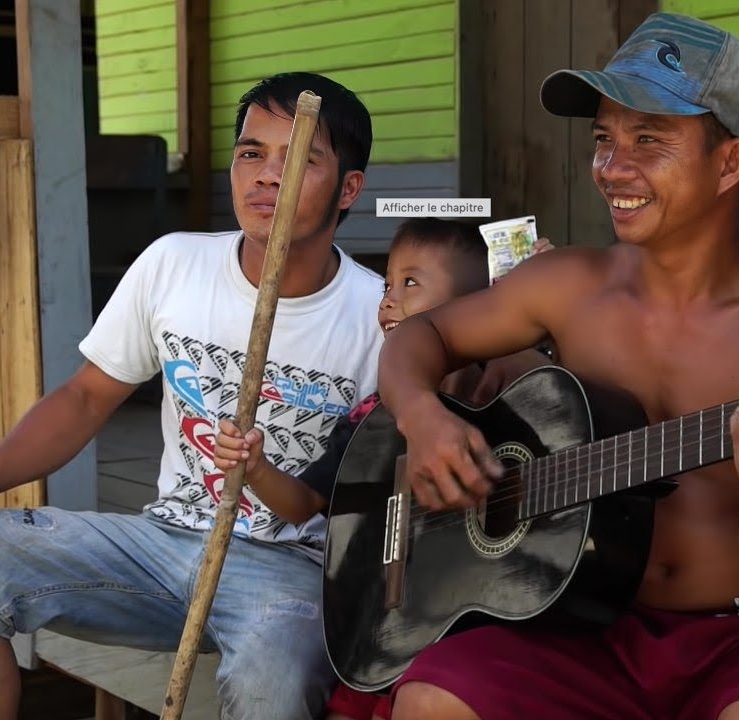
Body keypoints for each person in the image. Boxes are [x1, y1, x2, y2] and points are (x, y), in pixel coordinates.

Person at [374, 13, 739, 720]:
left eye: (648, 141)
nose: (612, 167)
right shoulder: (569, 285)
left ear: (729, 163)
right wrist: (422, 416)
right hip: (584, 626)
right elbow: (422, 339)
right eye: (604, 138)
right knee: (432, 698)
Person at [0, 71, 386, 720]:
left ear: (349, 187)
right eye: (250, 153)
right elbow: (87, 398)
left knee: (277, 680)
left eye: (298, 160)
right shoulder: (174, 264)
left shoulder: (379, 317)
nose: (266, 176)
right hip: (160, 543)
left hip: (289, 570)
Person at [211, 216, 553, 720]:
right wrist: (255, 467)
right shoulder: (376, 419)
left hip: (482, 629)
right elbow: (304, 503)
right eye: (388, 283)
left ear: (473, 305)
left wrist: (536, 301)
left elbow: (560, 389)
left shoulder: (511, 394)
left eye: (410, 283)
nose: (388, 298)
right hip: (389, 626)